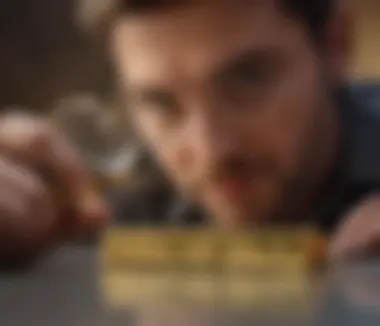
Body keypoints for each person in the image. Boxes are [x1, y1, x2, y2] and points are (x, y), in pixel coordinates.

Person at [1, 0, 380, 267]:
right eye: (161, 103)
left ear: (336, 46)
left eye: (248, 79)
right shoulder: (106, 199)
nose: (210, 150)